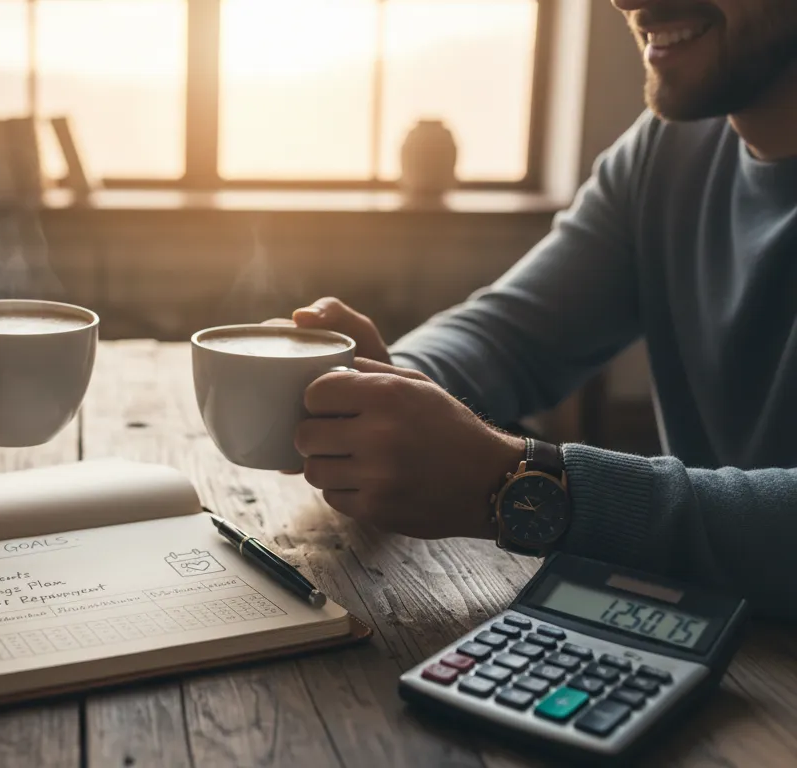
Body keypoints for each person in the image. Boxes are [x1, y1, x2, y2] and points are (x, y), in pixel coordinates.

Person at [282, 0, 797, 618]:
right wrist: (383, 383)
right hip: (711, 638)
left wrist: (525, 486)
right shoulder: (670, 147)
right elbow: (510, 332)